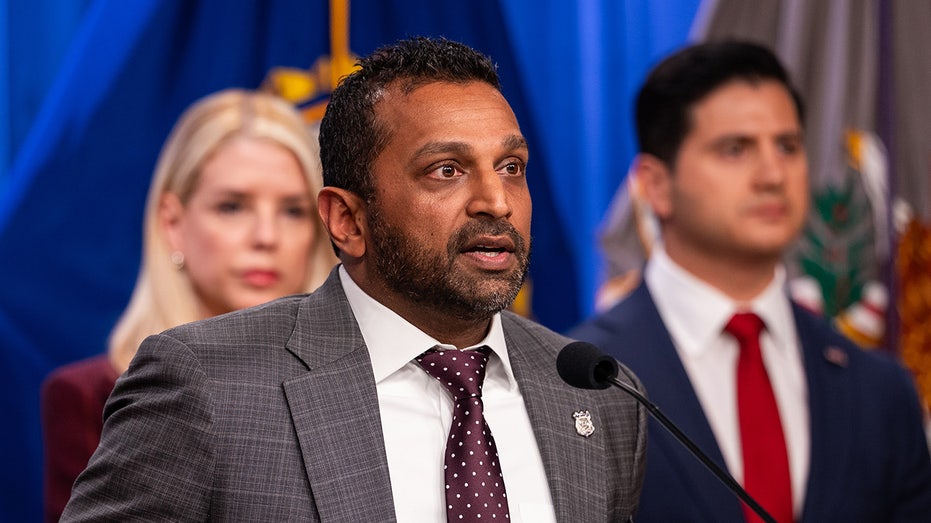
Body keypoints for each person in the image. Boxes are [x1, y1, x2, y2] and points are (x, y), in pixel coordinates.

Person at [59, 37, 647, 522]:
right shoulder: (205, 385)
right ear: (347, 219)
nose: (496, 201)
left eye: (511, 167)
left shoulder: (599, 394)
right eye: (447, 170)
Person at [571, 40, 931, 522]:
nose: (773, 174)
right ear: (656, 186)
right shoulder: (573, 381)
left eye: (788, 146)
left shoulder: (882, 391)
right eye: (736, 149)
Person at [41, 88, 336, 522]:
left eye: (293, 211)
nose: (266, 237)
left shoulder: (371, 382)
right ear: (173, 223)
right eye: (232, 206)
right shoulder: (90, 397)